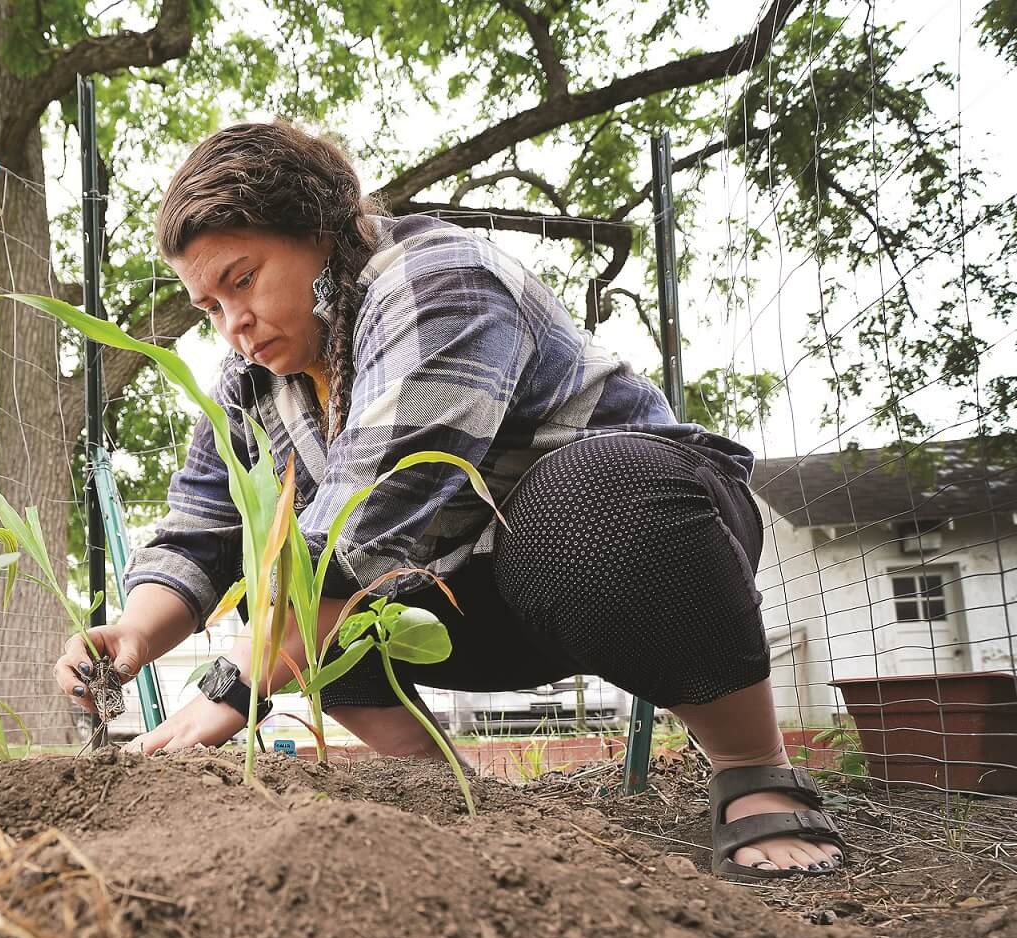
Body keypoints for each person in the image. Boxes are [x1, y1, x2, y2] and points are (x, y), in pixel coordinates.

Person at [51, 121, 846, 883]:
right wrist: (130, 633)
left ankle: (751, 767)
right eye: (211, 307)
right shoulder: (249, 388)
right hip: (468, 597)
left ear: (318, 230)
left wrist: (235, 683)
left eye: (243, 280)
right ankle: (444, 794)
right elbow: (201, 530)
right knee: (289, 583)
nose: (234, 325)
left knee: (560, 515)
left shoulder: (435, 281)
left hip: (629, 542)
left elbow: (380, 506)